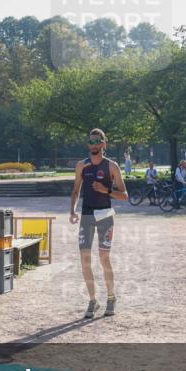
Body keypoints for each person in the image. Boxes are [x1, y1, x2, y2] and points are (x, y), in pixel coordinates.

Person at [70, 128, 128, 318]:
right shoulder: (82, 166)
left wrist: (106, 190)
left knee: (104, 259)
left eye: (96, 142)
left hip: (105, 215)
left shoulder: (112, 167)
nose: (93, 145)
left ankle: (111, 298)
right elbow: (76, 191)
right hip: (86, 216)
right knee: (85, 260)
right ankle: (93, 301)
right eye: (90, 141)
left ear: (103, 144)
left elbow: (125, 196)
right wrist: (72, 210)